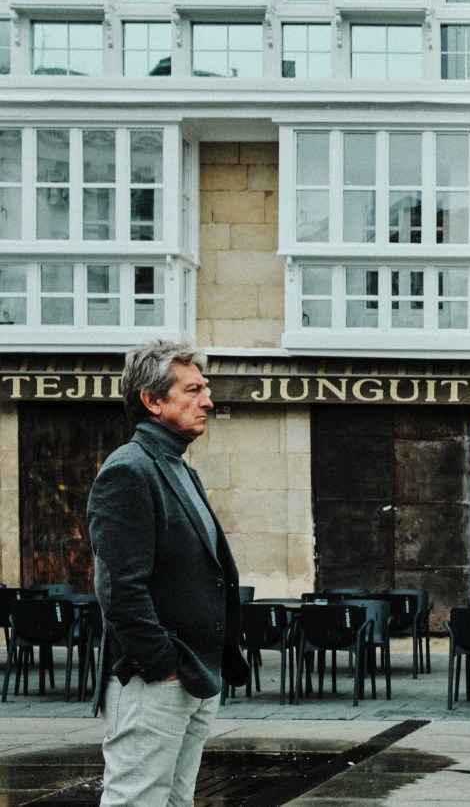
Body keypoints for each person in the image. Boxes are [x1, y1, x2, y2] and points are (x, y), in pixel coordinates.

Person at [87, 341, 250, 807]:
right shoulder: (129, 471)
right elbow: (118, 588)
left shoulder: (177, 467)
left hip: (195, 676)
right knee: (135, 800)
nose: (208, 401)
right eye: (193, 390)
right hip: (154, 681)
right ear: (152, 401)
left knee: (176, 801)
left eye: (206, 389)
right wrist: (160, 666)